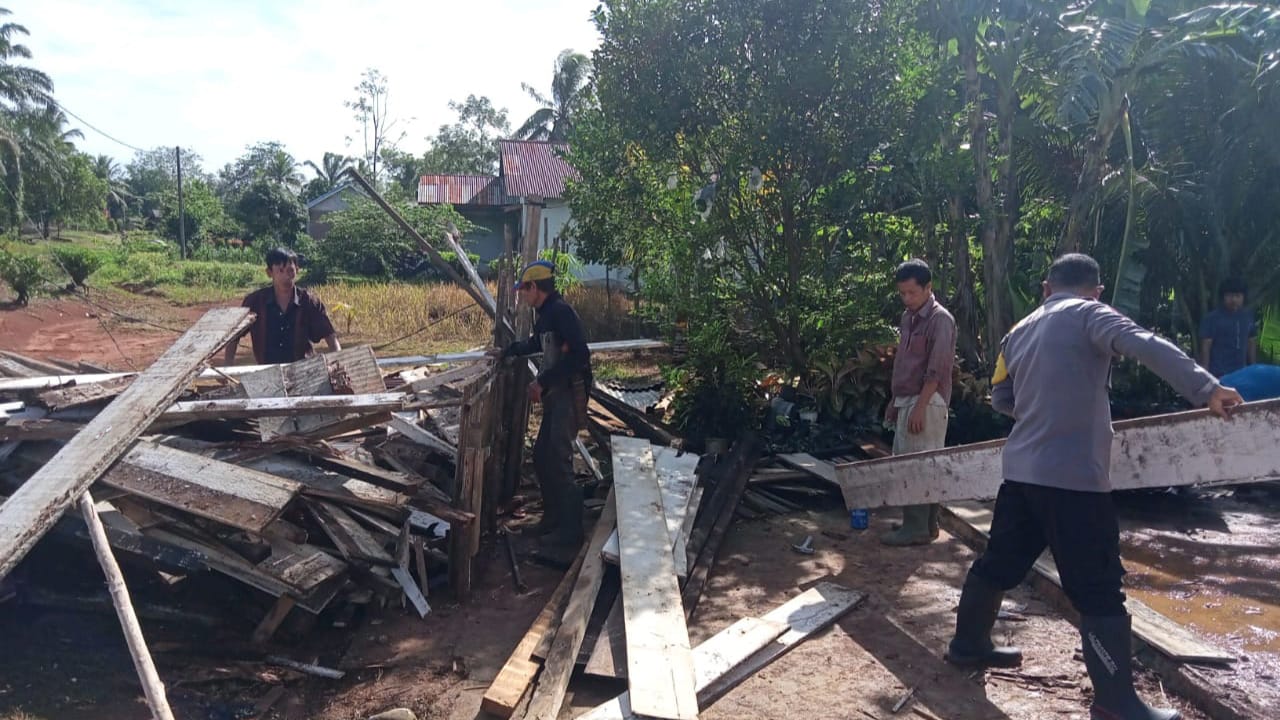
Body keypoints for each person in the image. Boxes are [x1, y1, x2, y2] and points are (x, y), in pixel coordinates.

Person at [945, 254, 1242, 720]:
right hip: (1074, 483)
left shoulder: (1018, 330)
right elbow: (1146, 344)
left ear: (1046, 288)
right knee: (1101, 590)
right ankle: (1116, 702)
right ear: (1096, 290)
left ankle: (968, 644)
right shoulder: (1091, 313)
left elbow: (1001, 395)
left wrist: (1040, 415)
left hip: (1021, 473)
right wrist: (1206, 388)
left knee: (999, 563)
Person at [501, 260, 592, 548]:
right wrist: (512, 351)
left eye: (524, 290)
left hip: (568, 392)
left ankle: (571, 531)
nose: (522, 296)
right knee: (541, 455)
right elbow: (539, 343)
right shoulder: (546, 313)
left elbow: (580, 355)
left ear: (534, 287)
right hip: (556, 392)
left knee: (559, 459)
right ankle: (552, 518)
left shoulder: (561, 312)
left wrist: (542, 382)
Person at [881, 258, 956, 546]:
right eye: (902, 293)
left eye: (912, 292)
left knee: (917, 465)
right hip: (908, 398)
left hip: (927, 400)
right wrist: (895, 401)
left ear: (928, 288)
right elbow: (904, 364)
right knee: (914, 462)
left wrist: (921, 406)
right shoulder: (907, 318)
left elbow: (937, 368)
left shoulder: (941, 320)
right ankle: (926, 525)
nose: (907, 298)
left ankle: (916, 527)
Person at [223, 247, 340, 365]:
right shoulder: (255, 302)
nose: (286, 274)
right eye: (280, 270)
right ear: (269, 272)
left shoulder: (309, 302)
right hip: (266, 371)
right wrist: (227, 364)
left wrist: (339, 363)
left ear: (297, 270)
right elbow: (234, 335)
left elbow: (330, 337)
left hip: (303, 372)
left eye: (290, 270)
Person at [1199, 278, 1257, 378]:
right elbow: (1206, 346)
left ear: (1243, 297)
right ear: (1223, 297)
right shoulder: (1212, 318)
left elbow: (1251, 342)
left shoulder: (1248, 317)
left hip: (1241, 374)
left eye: (1237, 296)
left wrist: (1253, 368)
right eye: (1229, 296)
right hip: (1218, 375)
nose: (1234, 299)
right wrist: (1205, 373)